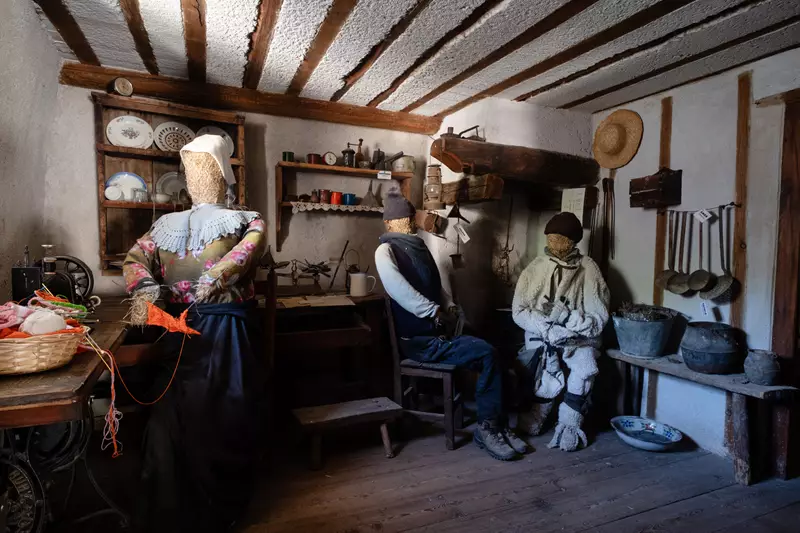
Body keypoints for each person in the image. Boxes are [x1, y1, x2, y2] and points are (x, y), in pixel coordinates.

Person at [123, 135, 266, 531]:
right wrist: (146, 288)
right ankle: (183, 505)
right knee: (186, 411)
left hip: (218, 331)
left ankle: (208, 505)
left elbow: (244, 255)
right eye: (194, 170)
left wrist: (215, 276)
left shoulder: (243, 221)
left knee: (217, 408)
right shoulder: (172, 225)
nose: (199, 178)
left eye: (201, 170)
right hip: (186, 329)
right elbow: (136, 260)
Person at [375, 191, 528, 461]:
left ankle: (498, 424)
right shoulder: (385, 251)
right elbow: (398, 289)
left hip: (438, 334)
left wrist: (451, 306)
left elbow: (436, 286)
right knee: (487, 354)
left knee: (494, 348)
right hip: (420, 343)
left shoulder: (420, 248)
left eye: (409, 218)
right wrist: (432, 310)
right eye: (400, 219)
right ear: (388, 224)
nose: (407, 223)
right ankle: (488, 428)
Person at [512, 212, 609, 452]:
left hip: (578, 337)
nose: (554, 242)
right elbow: (519, 311)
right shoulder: (535, 268)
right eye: (551, 237)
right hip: (541, 332)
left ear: (572, 241)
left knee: (584, 368)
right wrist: (546, 328)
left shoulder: (588, 269)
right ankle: (536, 415)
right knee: (542, 366)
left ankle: (569, 424)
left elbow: (598, 319)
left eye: (561, 238)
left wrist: (567, 318)